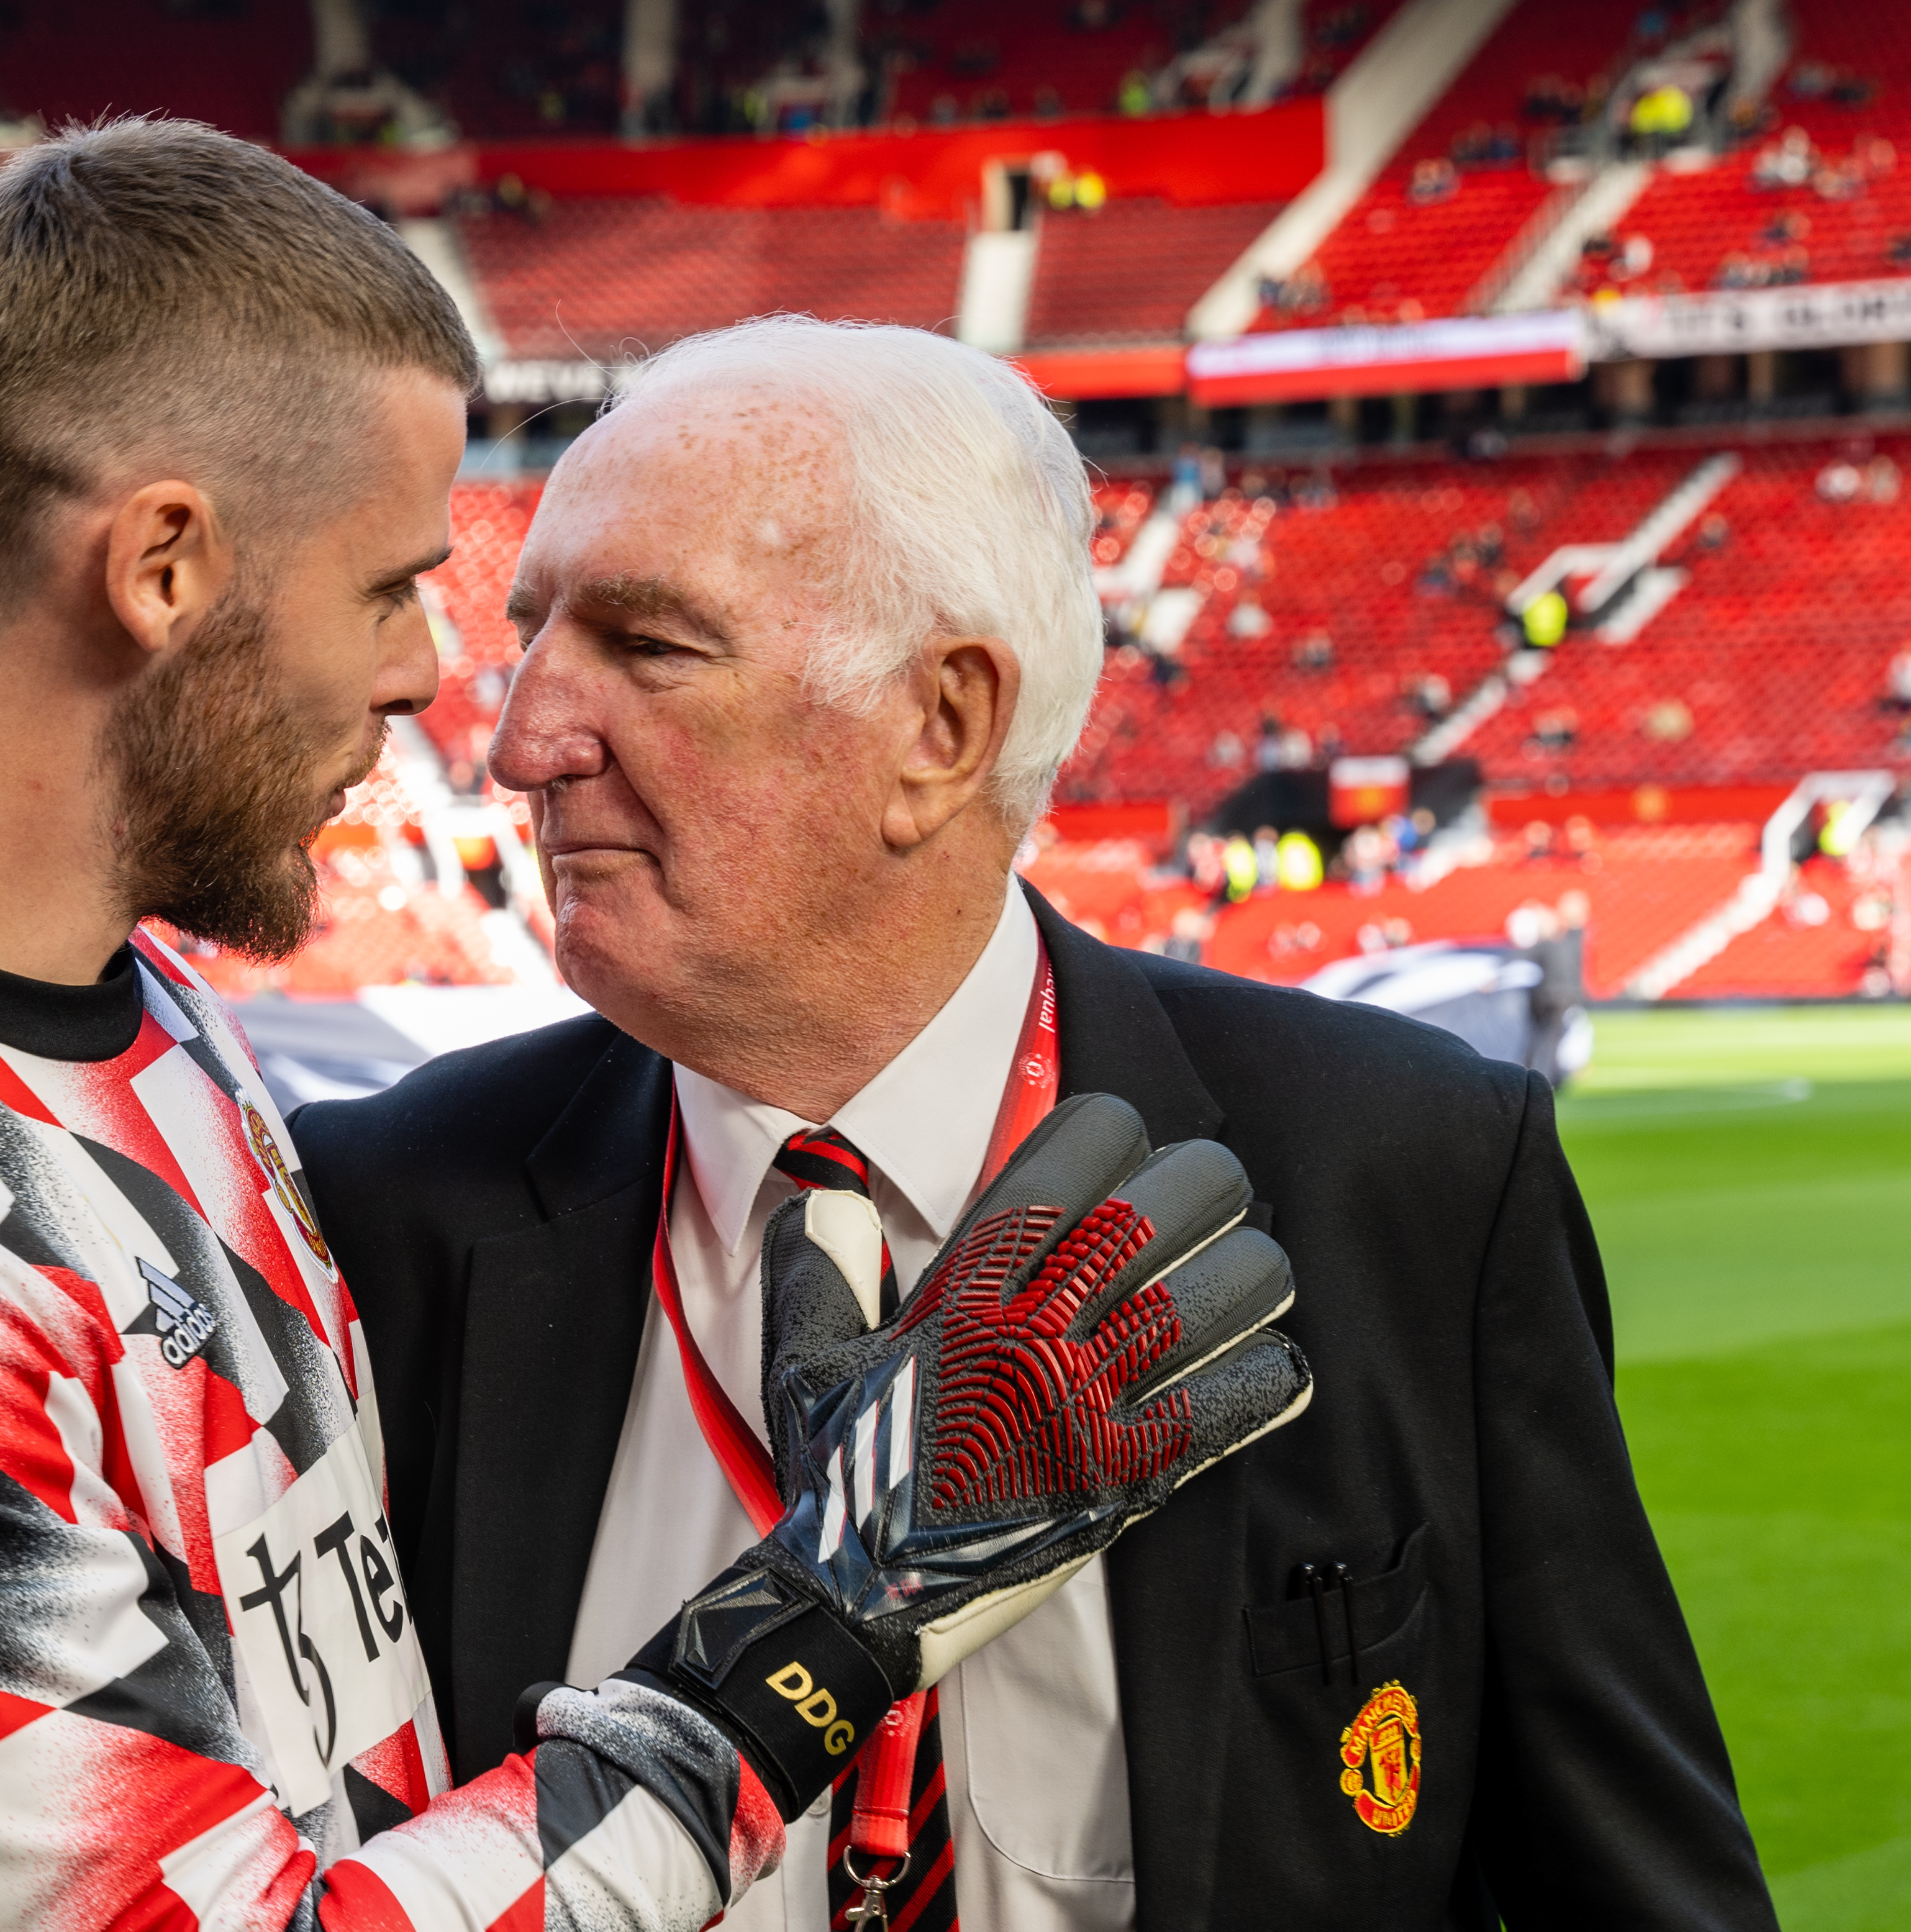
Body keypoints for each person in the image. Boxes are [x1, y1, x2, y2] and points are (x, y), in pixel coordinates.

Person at [0, 125, 1302, 1932]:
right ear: (163, 565)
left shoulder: (132, 1021)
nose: (434, 685)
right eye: (391, 585)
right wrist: (848, 1598)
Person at [294, 317, 1776, 1930]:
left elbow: (1631, 1881)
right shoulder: (383, 1213)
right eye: (534, 636)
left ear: (941, 728)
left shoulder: (1399, 1169)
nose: (518, 741)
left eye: (647, 648)